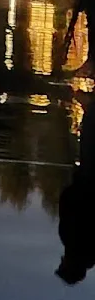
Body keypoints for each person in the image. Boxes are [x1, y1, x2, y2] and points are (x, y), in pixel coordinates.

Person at [57, 97, 95, 284]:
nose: (61, 259)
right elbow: (66, 202)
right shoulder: (69, 240)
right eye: (62, 264)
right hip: (87, 178)